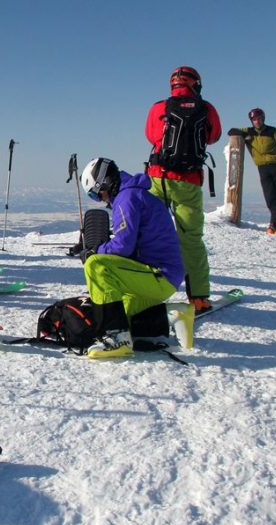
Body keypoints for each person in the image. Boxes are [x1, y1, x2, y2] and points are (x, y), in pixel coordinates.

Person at [80, 158, 185, 359]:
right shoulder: (134, 194)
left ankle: (118, 340)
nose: (99, 199)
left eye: (95, 193)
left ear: (105, 183)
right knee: (118, 313)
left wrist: (96, 251)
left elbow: (123, 246)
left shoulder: (126, 198)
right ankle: (173, 314)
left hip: (158, 275)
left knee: (96, 265)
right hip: (160, 275)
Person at [145, 66, 221, 314]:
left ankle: (145, 292)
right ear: (196, 84)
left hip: (158, 179)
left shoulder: (159, 107)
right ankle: (198, 297)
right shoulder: (206, 108)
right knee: (191, 240)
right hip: (188, 181)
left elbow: (150, 136)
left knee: (150, 235)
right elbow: (214, 137)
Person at [228, 108, 276, 235]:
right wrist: (244, 135)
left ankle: (274, 226)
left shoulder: (273, 131)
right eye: (254, 119)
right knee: (270, 198)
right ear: (251, 121)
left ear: (263, 118)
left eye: (259, 118)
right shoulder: (249, 132)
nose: (257, 121)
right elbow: (231, 131)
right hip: (263, 168)